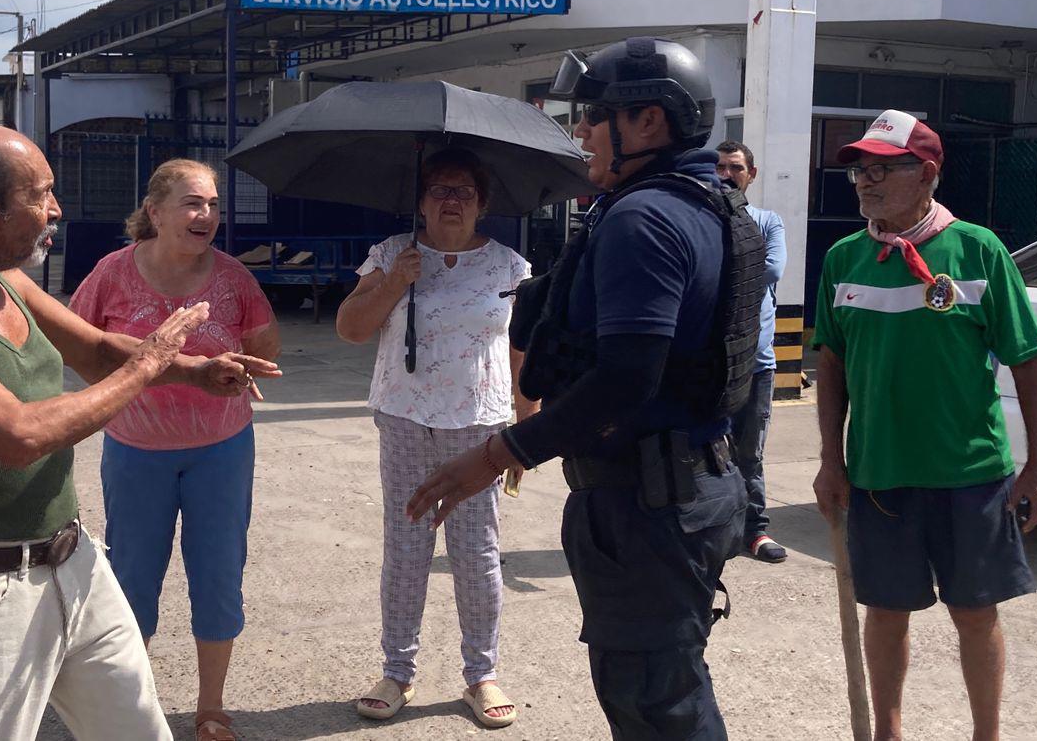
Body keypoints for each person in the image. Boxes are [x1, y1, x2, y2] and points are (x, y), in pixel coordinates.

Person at [0, 124, 280, 741]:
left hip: (73, 562)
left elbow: (100, 349)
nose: (56, 209)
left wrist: (195, 370)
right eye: (42, 193)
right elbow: (16, 434)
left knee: (138, 731)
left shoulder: (8, 281)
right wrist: (149, 364)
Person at [406, 39, 767, 740]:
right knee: (667, 688)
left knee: (656, 702)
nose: (580, 134)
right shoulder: (708, 205)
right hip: (687, 488)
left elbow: (628, 377)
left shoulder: (644, 218)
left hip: (649, 504)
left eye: (593, 117)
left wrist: (503, 450)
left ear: (648, 124)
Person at [809, 110, 1037, 741]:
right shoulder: (843, 259)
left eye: (881, 169)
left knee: (975, 613)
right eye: (860, 170)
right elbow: (830, 364)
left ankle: (986, 735)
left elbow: (1027, 359)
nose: (865, 181)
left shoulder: (978, 250)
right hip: (879, 475)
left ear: (927, 173)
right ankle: (887, 732)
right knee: (886, 612)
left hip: (969, 474)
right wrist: (831, 462)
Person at [69, 158, 280, 741]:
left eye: (213, 205)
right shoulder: (111, 275)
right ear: (155, 211)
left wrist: (245, 366)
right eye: (193, 203)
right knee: (132, 580)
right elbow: (77, 346)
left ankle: (210, 709)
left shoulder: (235, 278)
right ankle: (132, 709)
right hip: (136, 451)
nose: (206, 215)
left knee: (217, 576)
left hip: (222, 450)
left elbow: (266, 342)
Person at [336, 147, 533, 729]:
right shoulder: (392, 255)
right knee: (407, 548)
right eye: (440, 191)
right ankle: (397, 671)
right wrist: (396, 280)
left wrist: (528, 426)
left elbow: (521, 349)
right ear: (420, 203)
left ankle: (481, 675)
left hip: (480, 428)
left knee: (476, 555)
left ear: (483, 204)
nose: (452, 201)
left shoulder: (509, 267)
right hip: (404, 420)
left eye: (464, 192)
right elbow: (350, 328)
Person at [715, 140, 788, 563]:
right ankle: (716, 528)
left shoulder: (767, 221)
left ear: (751, 175)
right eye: (720, 167)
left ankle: (755, 531)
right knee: (706, 450)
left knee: (749, 452)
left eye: (736, 168)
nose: (727, 174)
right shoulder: (705, 220)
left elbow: (774, 269)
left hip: (756, 365)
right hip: (713, 364)